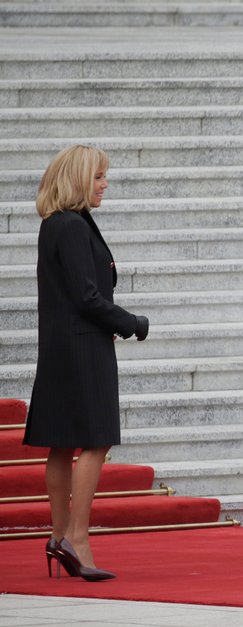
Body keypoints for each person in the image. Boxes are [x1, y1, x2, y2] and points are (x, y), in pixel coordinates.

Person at [24, 144, 150, 582]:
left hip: (59, 346)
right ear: (79, 179)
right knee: (96, 441)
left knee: (61, 442)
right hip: (83, 348)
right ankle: (77, 537)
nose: (105, 184)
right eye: (98, 177)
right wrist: (133, 322)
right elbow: (88, 296)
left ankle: (60, 537)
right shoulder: (73, 227)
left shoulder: (54, 225)